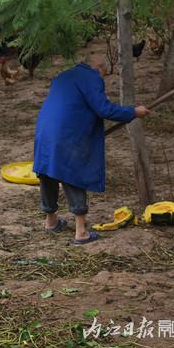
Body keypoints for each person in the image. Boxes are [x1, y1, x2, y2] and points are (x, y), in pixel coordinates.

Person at [33, 53, 150, 245]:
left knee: (48, 173)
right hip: (67, 134)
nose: (103, 76)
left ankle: (51, 222)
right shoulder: (92, 77)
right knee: (74, 174)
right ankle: (81, 233)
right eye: (105, 71)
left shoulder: (63, 75)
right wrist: (133, 112)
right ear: (100, 67)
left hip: (45, 131)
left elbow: (72, 105)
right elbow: (103, 109)